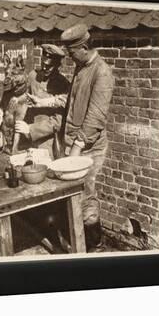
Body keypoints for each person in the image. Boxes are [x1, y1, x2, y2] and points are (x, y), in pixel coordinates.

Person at [59, 23, 114, 252]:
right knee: (74, 195)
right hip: (74, 142)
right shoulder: (81, 67)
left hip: (87, 147)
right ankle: (76, 239)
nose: (69, 58)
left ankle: (95, 245)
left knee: (86, 195)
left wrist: (75, 149)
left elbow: (95, 118)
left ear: (83, 47)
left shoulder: (102, 73)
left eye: (71, 52)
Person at [13, 44, 70, 155]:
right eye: (43, 63)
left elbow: (59, 121)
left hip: (47, 141)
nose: (44, 68)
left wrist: (31, 129)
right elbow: (26, 98)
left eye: (49, 66)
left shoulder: (63, 84)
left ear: (58, 65)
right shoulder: (33, 76)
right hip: (25, 137)